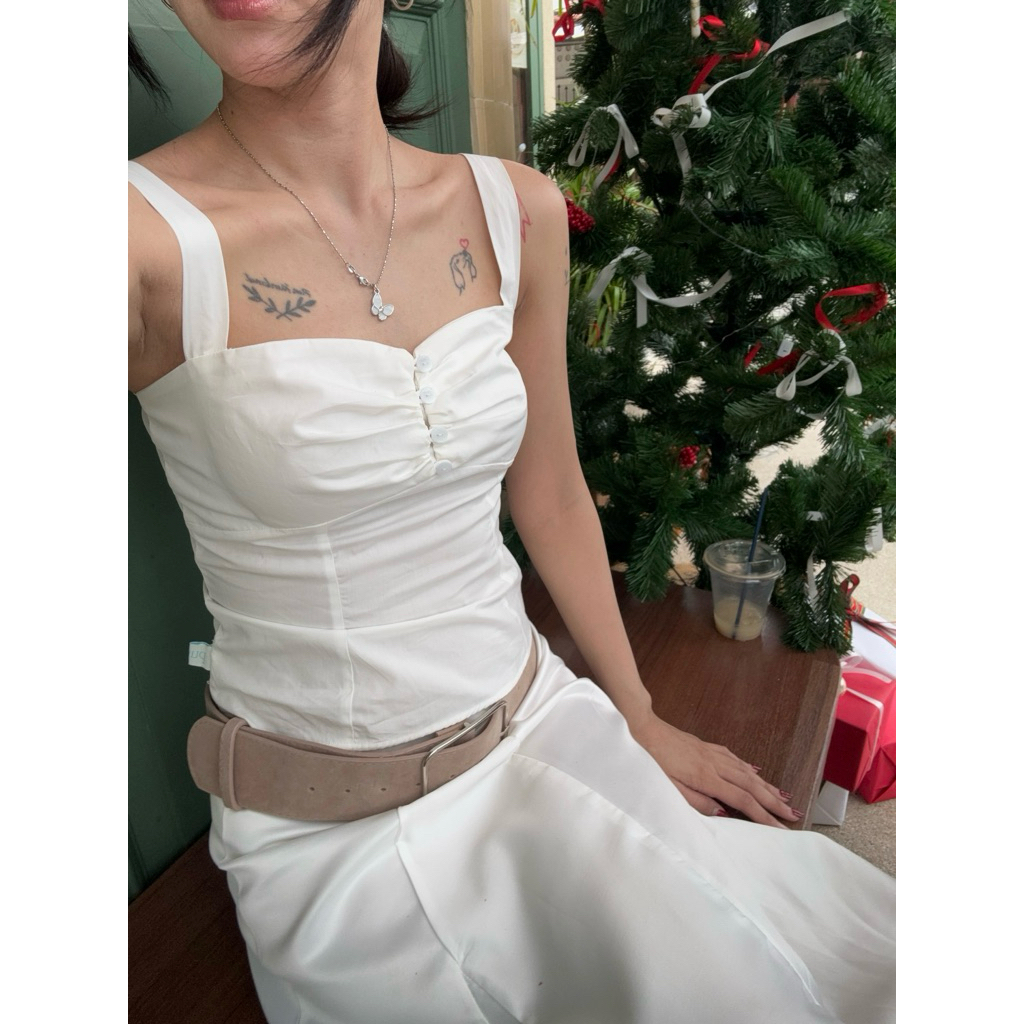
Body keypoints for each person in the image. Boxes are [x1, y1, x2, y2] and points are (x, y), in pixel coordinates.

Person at [128, 2, 895, 1021]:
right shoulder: (132, 241)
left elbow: (551, 487)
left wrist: (637, 713)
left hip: (539, 728)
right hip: (324, 835)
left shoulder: (513, 209)